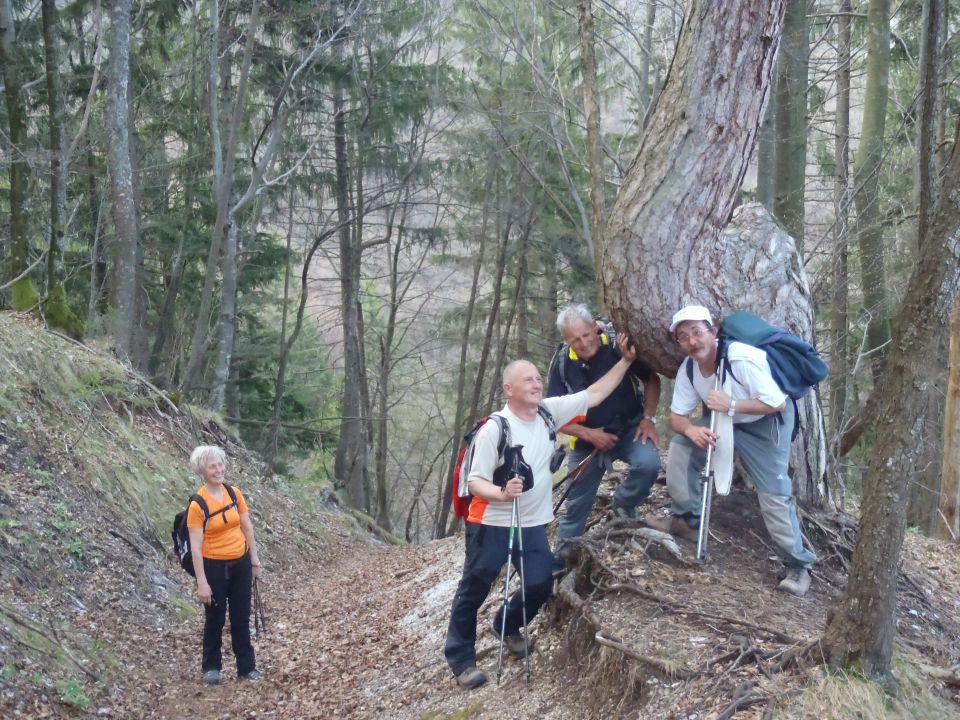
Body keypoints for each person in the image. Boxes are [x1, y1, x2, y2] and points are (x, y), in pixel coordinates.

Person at [444, 336, 639, 689]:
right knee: (474, 588)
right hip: (490, 522)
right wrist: (501, 493)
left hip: (532, 522)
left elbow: (594, 394)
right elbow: (475, 482)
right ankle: (461, 659)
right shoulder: (494, 428)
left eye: (537, 378)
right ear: (509, 389)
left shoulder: (549, 412)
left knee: (539, 581)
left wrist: (625, 362)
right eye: (527, 380)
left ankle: (507, 624)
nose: (536, 383)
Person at [650, 305, 817, 597]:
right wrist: (691, 430)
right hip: (724, 418)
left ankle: (798, 564)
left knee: (774, 490)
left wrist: (732, 405)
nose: (692, 341)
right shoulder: (689, 369)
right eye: (683, 336)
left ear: (713, 332)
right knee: (681, 449)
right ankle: (686, 519)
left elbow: (776, 403)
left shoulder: (741, 359)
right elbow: (677, 417)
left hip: (764, 421)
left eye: (698, 333)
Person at [547, 304, 661, 553]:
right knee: (576, 505)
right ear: (566, 340)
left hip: (629, 429)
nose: (584, 342)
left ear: (594, 328)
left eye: (586, 334)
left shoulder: (616, 347)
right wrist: (589, 434)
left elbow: (651, 379)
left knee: (649, 464)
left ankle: (623, 504)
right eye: (575, 339)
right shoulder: (563, 363)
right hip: (586, 443)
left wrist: (648, 418)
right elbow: (551, 414)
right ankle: (561, 560)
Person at [187, 445, 263, 684]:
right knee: (216, 618)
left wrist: (254, 560)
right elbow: (195, 547)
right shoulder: (197, 505)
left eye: (220, 464)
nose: (218, 470)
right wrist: (202, 583)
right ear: (202, 470)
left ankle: (247, 668)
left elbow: (247, 527)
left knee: (241, 617)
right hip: (213, 568)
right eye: (212, 466)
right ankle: (211, 667)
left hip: (240, 564)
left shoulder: (234, 493)